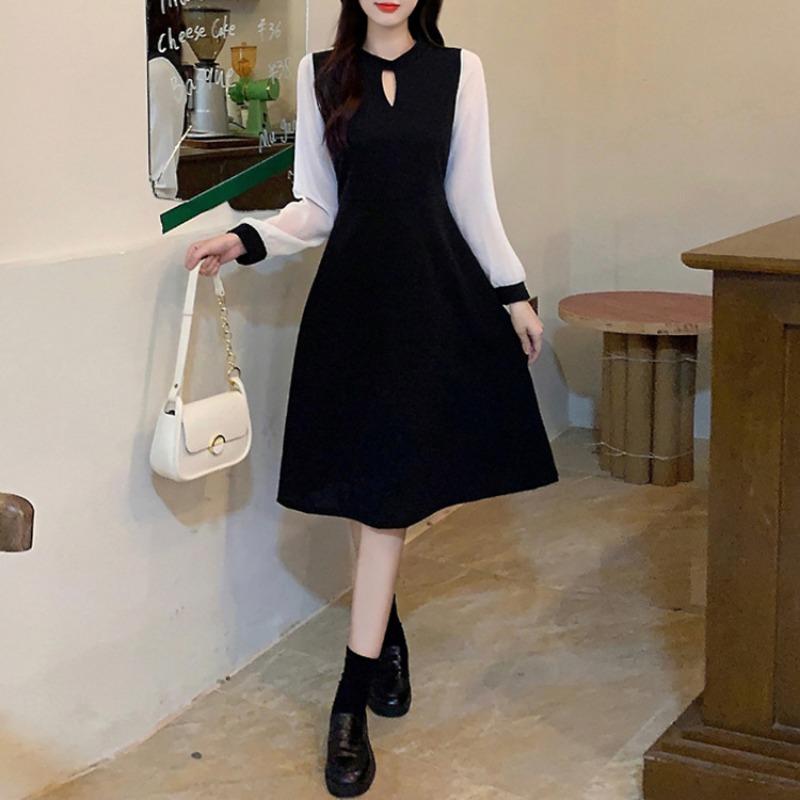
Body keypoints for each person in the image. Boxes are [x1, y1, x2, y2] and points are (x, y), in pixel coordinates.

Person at [184, 0, 559, 795]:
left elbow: (472, 199)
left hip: (428, 302)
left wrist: (513, 293)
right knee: (371, 494)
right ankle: (381, 639)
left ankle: (348, 701)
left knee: (385, 504)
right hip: (353, 306)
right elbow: (317, 207)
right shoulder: (320, 74)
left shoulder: (460, 73)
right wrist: (245, 240)